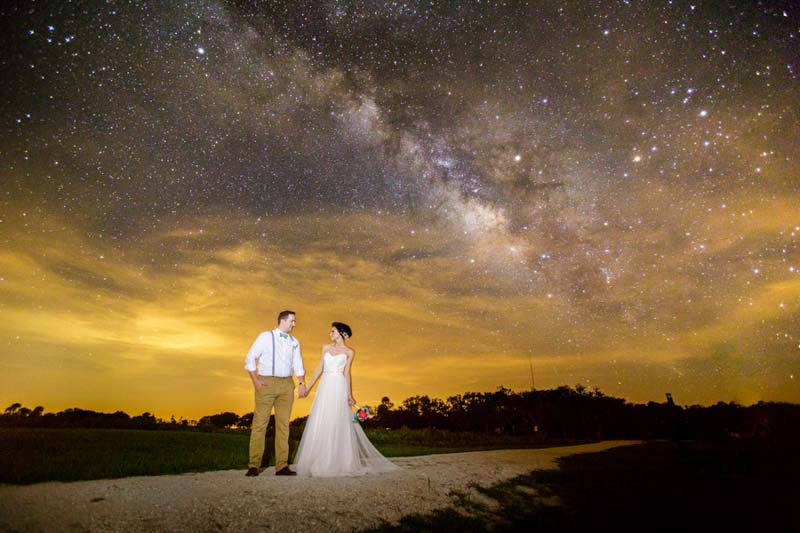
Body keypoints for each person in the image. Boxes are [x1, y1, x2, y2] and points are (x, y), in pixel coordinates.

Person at [293, 322, 398, 476]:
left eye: (333, 331)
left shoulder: (349, 352)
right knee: (322, 418)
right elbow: (319, 369)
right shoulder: (325, 348)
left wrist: (349, 394)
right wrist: (308, 388)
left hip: (338, 386)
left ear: (342, 333)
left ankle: (338, 461)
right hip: (325, 386)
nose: (330, 334)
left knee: (337, 420)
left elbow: (347, 373)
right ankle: (319, 460)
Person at [244, 310, 306, 476]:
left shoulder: (294, 341)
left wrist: (301, 383)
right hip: (266, 382)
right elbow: (250, 358)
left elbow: (297, 363)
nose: (294, 324)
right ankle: (254, 465)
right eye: (292, 321)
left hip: (287, 384)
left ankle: (282, 466)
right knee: (260, 424)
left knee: (283, 425)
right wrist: (256, 381)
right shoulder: (265, 336)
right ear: (283, 321)